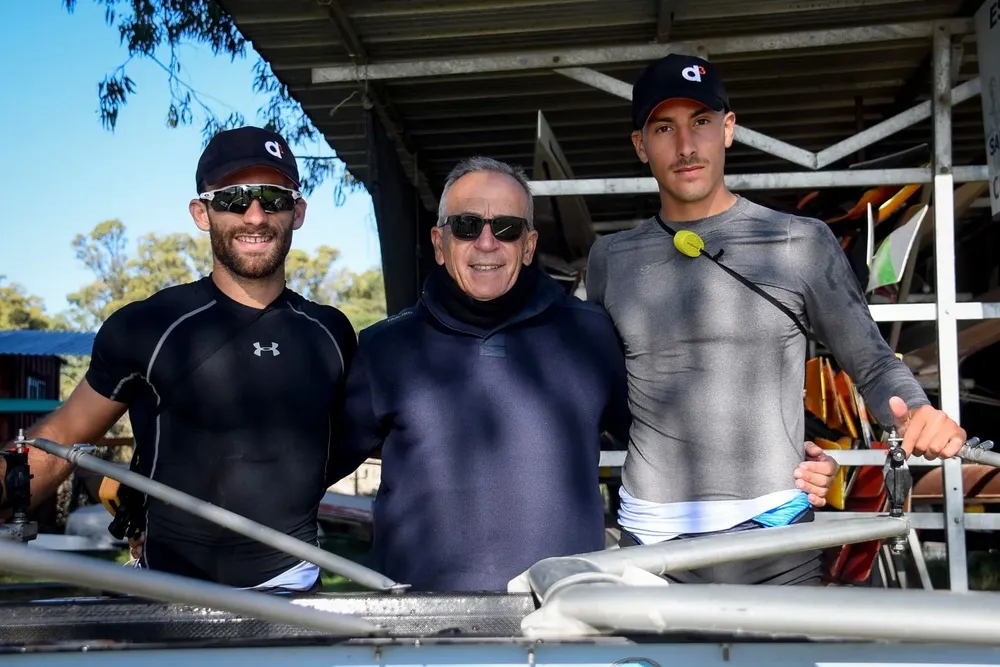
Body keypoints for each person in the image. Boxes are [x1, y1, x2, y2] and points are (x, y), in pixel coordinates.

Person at [330, 156, 838, 593]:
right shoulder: (383, 348)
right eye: (467, 226)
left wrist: (785, 466)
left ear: (529, 246)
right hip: (416, 629)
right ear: (440, 242)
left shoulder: (591, 335)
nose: (486, 242)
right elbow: (310, 466)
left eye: (505, 228)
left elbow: (670, 439)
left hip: (562, 619)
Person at [585, 54, 968, 585]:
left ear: (728, 129)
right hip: (649, 547)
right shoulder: (611, 258)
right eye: (663, 127)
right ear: (640, 145)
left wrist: (914, 413)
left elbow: (875, 365)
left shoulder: (800, 242)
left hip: (778, 542)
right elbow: (599, 393)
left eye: (700, 122)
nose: (686, 145)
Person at [0, 127, 356, 592]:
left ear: (298, 211)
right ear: (202, 212)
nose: (254, 215)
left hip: (295, 594)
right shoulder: (147, 326)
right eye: (232, 198)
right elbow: (61, 436)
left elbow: (359, 439)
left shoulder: (330, 333)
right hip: (167, 596)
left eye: (273, 197)